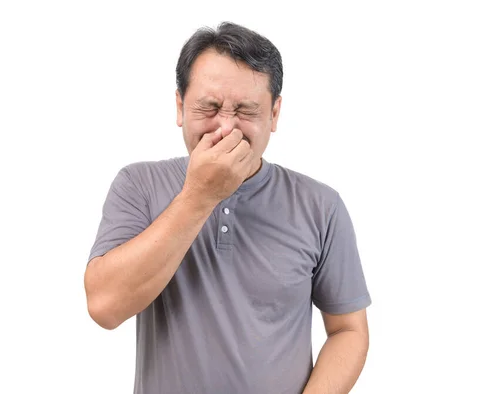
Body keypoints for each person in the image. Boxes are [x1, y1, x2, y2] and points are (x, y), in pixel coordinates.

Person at [84, 21, 371, 394]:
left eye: (246, 111)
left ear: (274, 115)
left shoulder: (321, 206)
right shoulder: (138, 186)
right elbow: (105, 306)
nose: (225, 127)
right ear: (180, 106)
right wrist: (199, 195)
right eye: (210, 107)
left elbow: (348, 329)